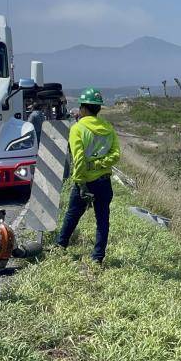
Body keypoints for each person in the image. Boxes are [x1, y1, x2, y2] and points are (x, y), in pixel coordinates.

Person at [56, 88, 120, 263]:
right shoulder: (108, 128)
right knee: (102, 220)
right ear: (98, 109)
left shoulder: (78, 129)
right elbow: (115, 155)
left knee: (72, 215)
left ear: (83, 109)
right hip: (104, 183)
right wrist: (99, 164)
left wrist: (81, 182)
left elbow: (79, 159)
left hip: (85, 182)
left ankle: (60, 246)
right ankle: (97, 258)